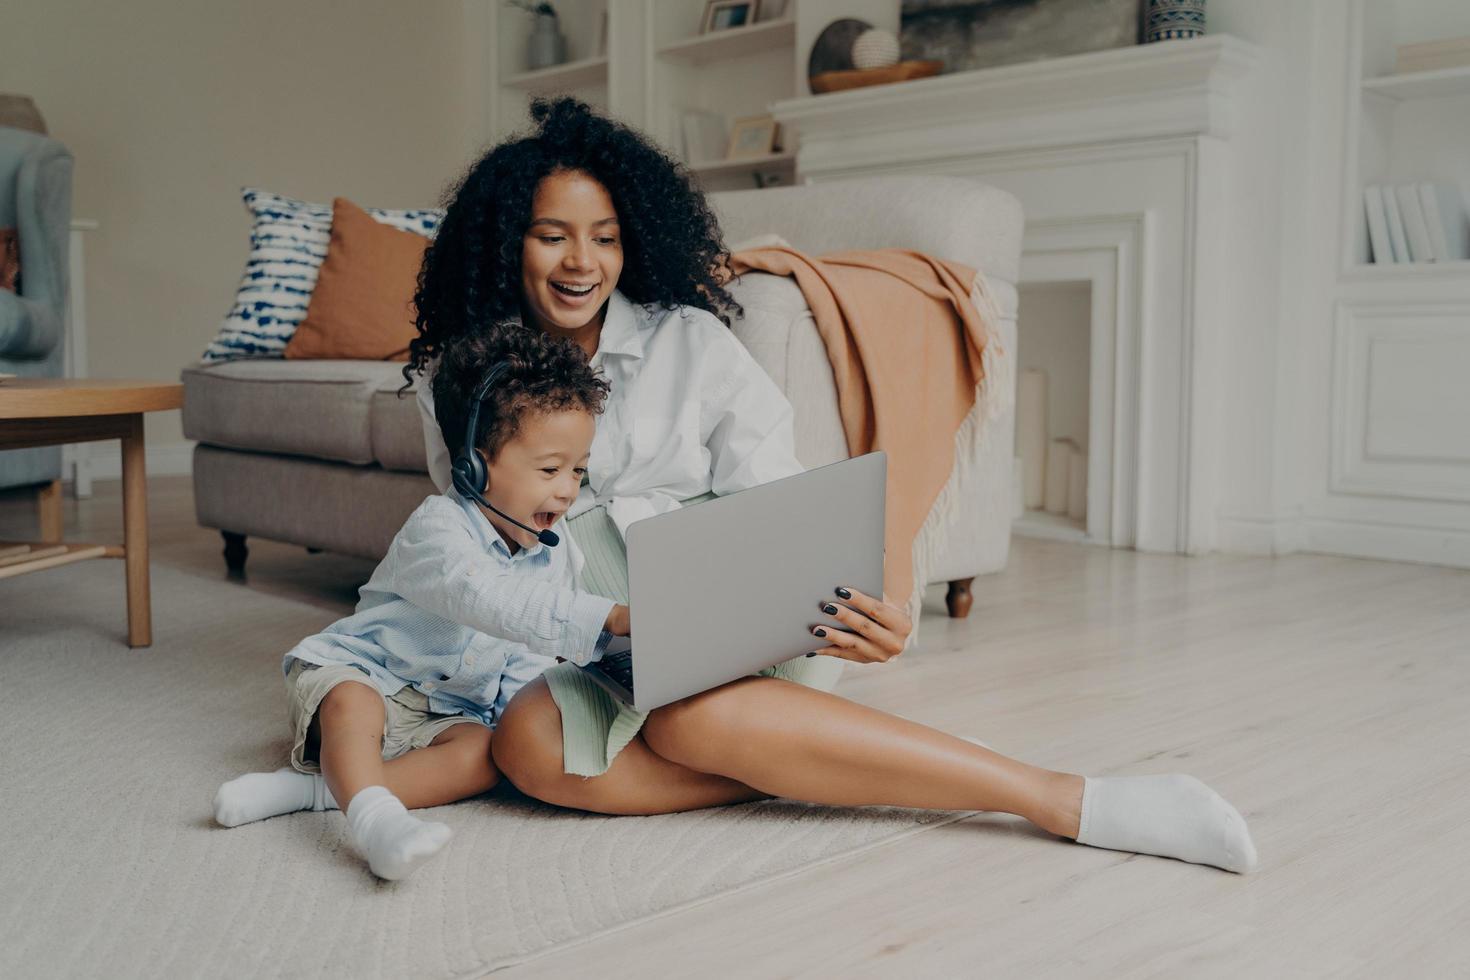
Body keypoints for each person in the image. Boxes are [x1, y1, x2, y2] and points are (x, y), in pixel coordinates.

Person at [406, 97, 1258, 874]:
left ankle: (1061, 797)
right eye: (552, 234)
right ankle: (845, 758)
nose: (581, 262)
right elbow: (476, 539)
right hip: (591, 640)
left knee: (689, 720)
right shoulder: (458, 377)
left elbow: (782, 501)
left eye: (606, 236)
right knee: (525, 747)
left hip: (731, 628)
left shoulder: (690, 342)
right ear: (505, 238)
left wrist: (866, 603)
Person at [214, 328, 622, 880]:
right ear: (474, 468)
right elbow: (490, 599)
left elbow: (528, 656)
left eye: (579, 470)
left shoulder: (553, 550)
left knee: (487, 755)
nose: (568, 490)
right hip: (368, 673)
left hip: (450, 712)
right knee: (352, 702)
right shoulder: (437, 529)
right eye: (550, 470)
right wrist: (610, 617)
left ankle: (314, 791)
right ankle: (376, 821)